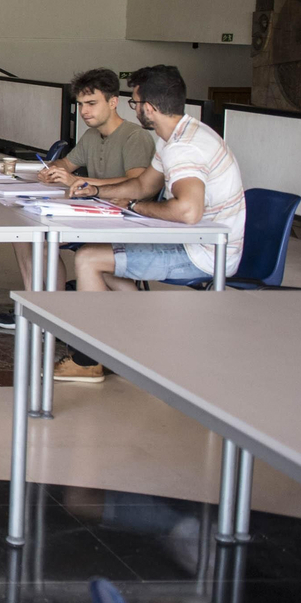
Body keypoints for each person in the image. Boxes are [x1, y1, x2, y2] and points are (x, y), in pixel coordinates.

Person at [56, 66, 246, 383]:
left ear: (149, 108)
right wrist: (97, 191)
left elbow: (187, 211)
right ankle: (140, 340)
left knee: (89, 258)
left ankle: (89, 361)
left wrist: (135, 207)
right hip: (196, 241)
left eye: (136, 102)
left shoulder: (183, 148)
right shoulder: (181, 134)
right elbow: (143, 184)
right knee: (103, 256)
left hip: (205, 251)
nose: (136, 109)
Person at [0, 68, 157, 333]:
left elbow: (136, 187)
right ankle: (40, 306)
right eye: (80, 105)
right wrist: (51, 170)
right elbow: (67, 163)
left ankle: (52, 311)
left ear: (113, 102)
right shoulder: (91, 135)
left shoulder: (135, 137)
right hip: (93, 211)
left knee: (39, 235)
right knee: (23, 231)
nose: (84, 111)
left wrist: (79, 182)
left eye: (91, 103)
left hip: (121, 218)